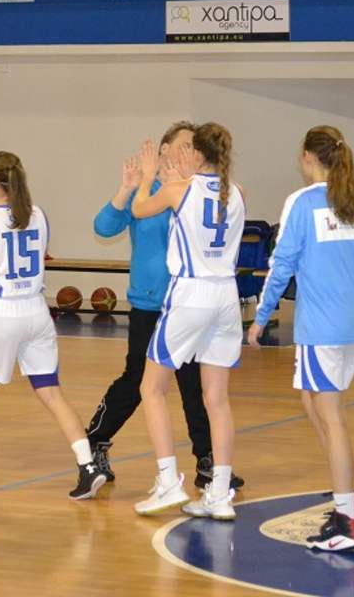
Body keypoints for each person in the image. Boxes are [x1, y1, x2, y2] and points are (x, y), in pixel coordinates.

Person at [247, 126, 354, 550]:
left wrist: (260, 316)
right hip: (352, 327)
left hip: (321, 329)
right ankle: (349, 496)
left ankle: (346, 520)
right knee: (312, 401)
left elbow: (282, 264)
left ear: (308, 157)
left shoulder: (303, 203)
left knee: (330, 414)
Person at [0, 152, 106, 500]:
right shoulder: (39, 215)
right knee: (52, 392)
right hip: (37, 312)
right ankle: (88, 466)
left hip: (3, 315)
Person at [85, 121, 243, 491]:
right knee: (136, 380)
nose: (189, 151)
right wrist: (127, 188)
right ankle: (95, 440)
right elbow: (104, 227)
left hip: (190, 304)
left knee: (194, 384)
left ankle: (207, 459)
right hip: (151, 302)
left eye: (193, 146)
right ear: (164, 149)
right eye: (183, 144)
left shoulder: (197, 190)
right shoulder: (154, 189)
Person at [130, 122, 245, 520]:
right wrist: (181, 178)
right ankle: (219, 493)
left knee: (152, 388)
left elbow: (138, 208)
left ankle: (167, 481)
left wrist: (149, 177)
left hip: (191, 294)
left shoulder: (178, 190)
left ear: (197, 154)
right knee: (217, 399)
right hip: (227, 297)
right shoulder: (238, 191)